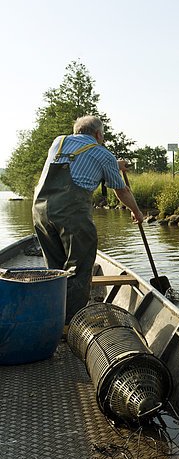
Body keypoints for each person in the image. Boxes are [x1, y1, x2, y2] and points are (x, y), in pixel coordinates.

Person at [32, 115, 144, 325]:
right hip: (71, 212)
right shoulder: (104, 155)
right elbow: (121, 191)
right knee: (79, 267)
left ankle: (52, 318)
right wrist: (137, 212)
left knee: (55, 268)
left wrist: (114, 164)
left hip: (40, 210)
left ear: (76, 131)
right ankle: (70, 324)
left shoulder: (59, 141)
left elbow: (78, 160)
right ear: (98, 134)